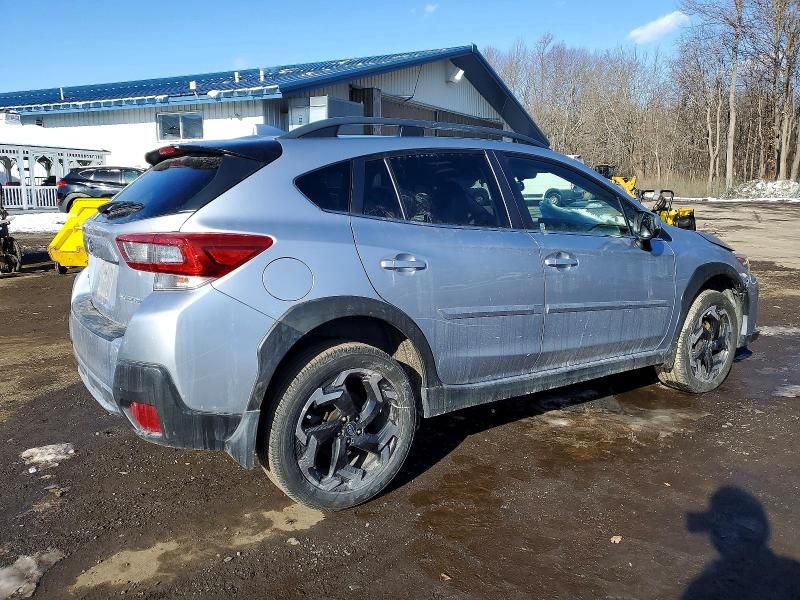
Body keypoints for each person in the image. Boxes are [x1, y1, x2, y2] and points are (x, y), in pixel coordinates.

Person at [683, 486, 800, 599]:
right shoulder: (792, 573)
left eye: (720, 530)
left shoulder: (707, 586)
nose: (718, 536)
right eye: (717, 530)